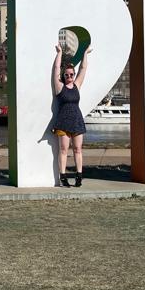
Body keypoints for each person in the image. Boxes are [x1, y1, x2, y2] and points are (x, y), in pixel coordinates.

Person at [52, 43, 91, 188]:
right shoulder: (59, 87)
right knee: (63, 150)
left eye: (71, 74)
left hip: (77, 121)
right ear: (64, 76)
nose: (69, 76)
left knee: (78, 149)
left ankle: (79, 176)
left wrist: (85, 53)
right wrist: (59, 53)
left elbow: (83, 68)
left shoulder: (77, 85)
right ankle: (63, 176)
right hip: (63, 122)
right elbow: (56, 69)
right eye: (67, 74)